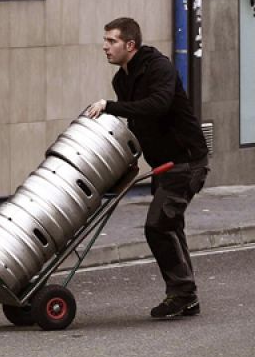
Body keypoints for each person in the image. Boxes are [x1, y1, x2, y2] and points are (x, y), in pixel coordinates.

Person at [82, 17, 209, 319]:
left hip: (186, 161)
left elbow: (158, 105)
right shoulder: (121, 80)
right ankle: (186, 295)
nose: (104, 47)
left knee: (159, 225)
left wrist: (110, 106)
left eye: (111, 41)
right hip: (164, 165)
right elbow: (138, 125)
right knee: (170, 226)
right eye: (105, 40)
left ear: (130, 44)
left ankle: (183, 294)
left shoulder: (158, 68)